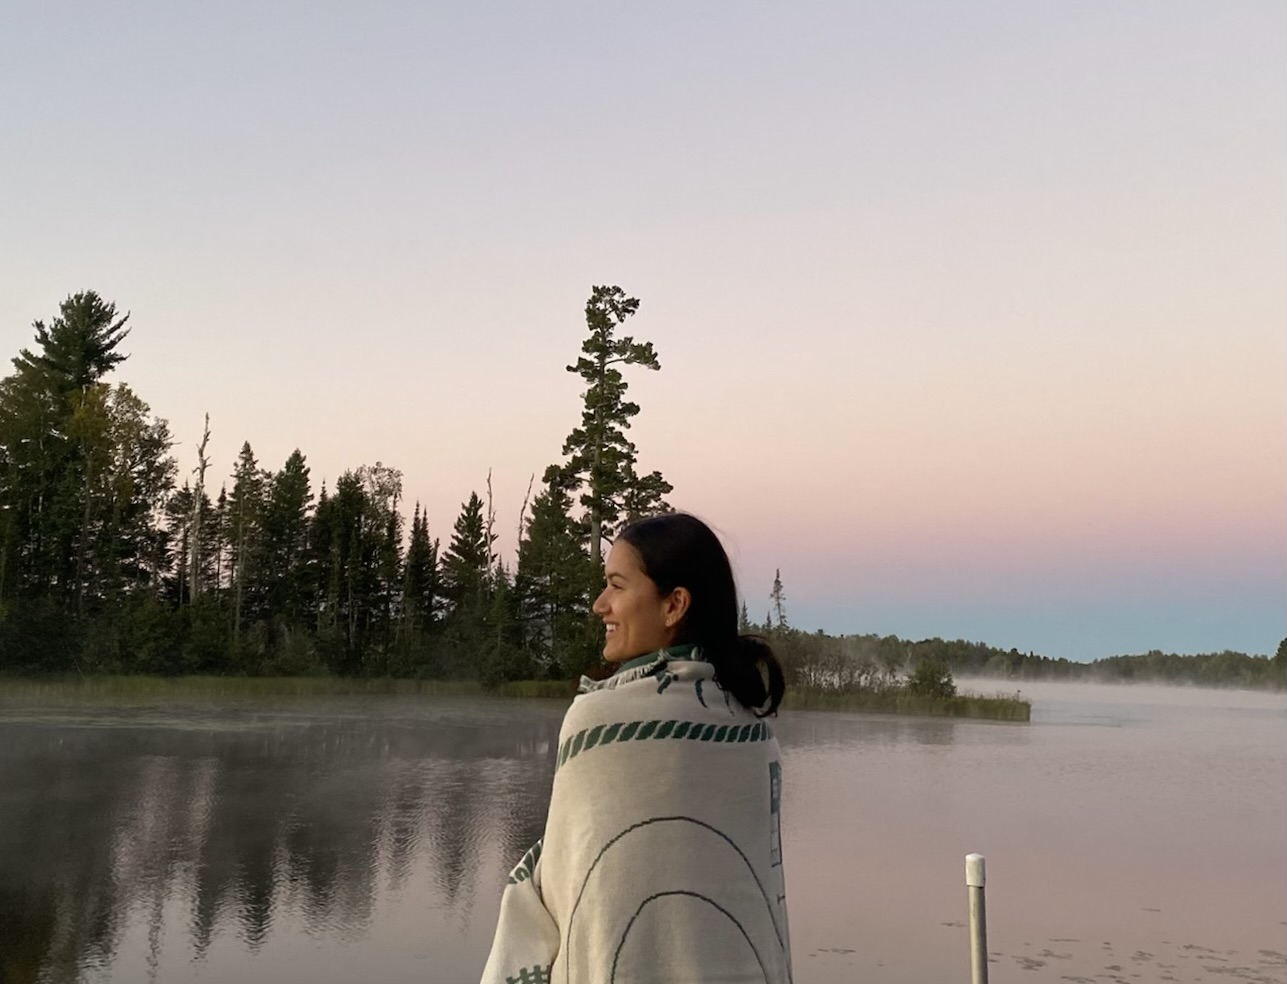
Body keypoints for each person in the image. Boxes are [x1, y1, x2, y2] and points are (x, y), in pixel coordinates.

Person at [480, 512, 793, 984]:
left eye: (616, 585)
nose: (599, 604)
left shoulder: (597, 723)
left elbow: (570, 890)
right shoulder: (751, 732)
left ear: (674, 606)